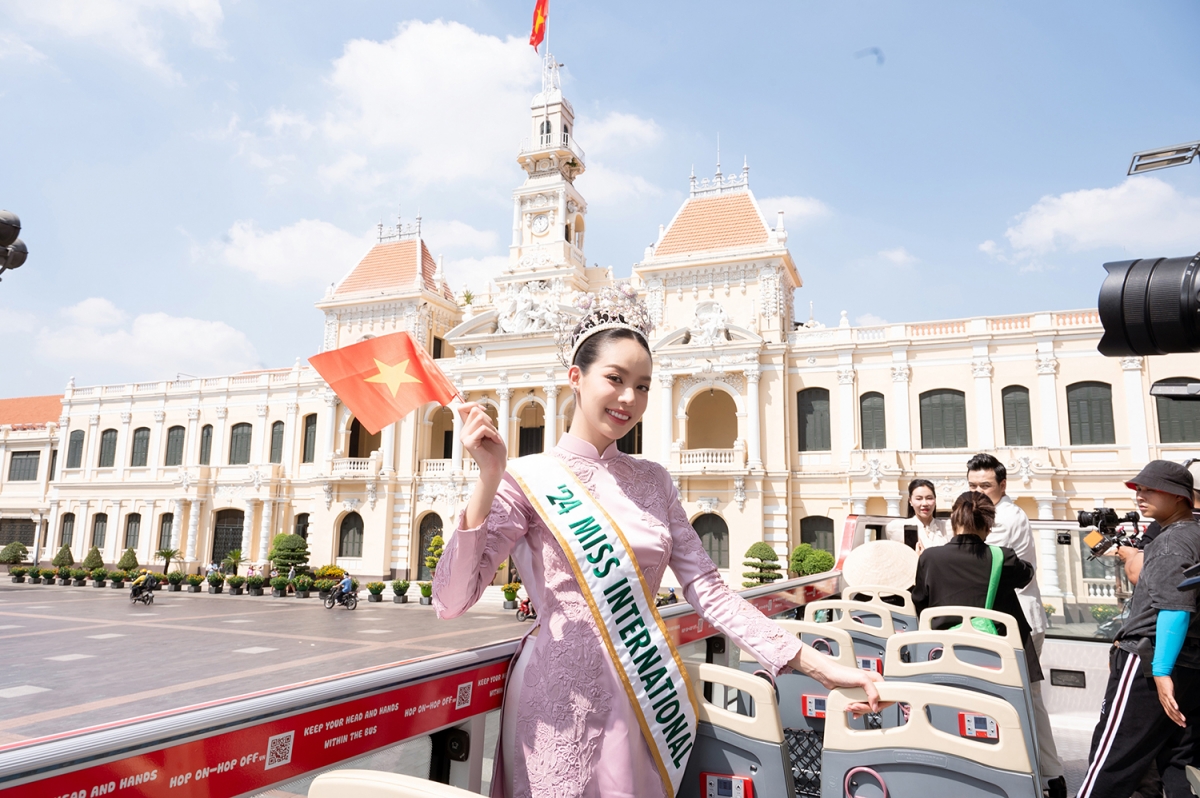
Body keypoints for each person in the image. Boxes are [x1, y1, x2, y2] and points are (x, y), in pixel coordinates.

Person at [433, 285, 882, 798]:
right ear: (575, 379)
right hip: (557, 701)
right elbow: (451, 601)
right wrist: (488, 479)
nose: (629, 399)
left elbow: (710, 593)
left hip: (642, 697)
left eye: (643, 386)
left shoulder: (654, 481)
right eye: (615, 379)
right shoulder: (527, 478)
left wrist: (817, 665)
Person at [1078, 461, 1200, 798]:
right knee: (1180, 765)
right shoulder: (1193, 535)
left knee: (1111, 761)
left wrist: (1160, 672)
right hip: (1190, 665)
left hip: (1149, 661)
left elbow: (1175, 608)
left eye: (1150, 489)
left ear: (1179, 497)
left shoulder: (1170, 542)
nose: (1140, 496)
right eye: (1138, 490)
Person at [967, 452, 1064, 798]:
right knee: (1023, 697)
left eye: (986, 485)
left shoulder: (1005, 518)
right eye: (973, 485)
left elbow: (974, 559)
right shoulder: (994, 513)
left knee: (1025, 697)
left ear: (1002, 484)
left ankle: (1046, 776)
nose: (978, 491)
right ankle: (1043, 774)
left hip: (1017, 621)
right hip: (1003, 619)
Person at [910, 491, 1042, 682]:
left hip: (942, 653)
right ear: (989, 526)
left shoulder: (930, 558)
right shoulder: (1003, 557)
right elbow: (1026, 574)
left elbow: (920, 602)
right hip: (997, 656)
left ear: (953, 523)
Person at [885, 478, 951, 552]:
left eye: (929, 498)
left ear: (935, 500)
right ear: (910, 501)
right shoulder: (898, 528)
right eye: (919, 499)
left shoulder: (948, 527)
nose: (925, 503)